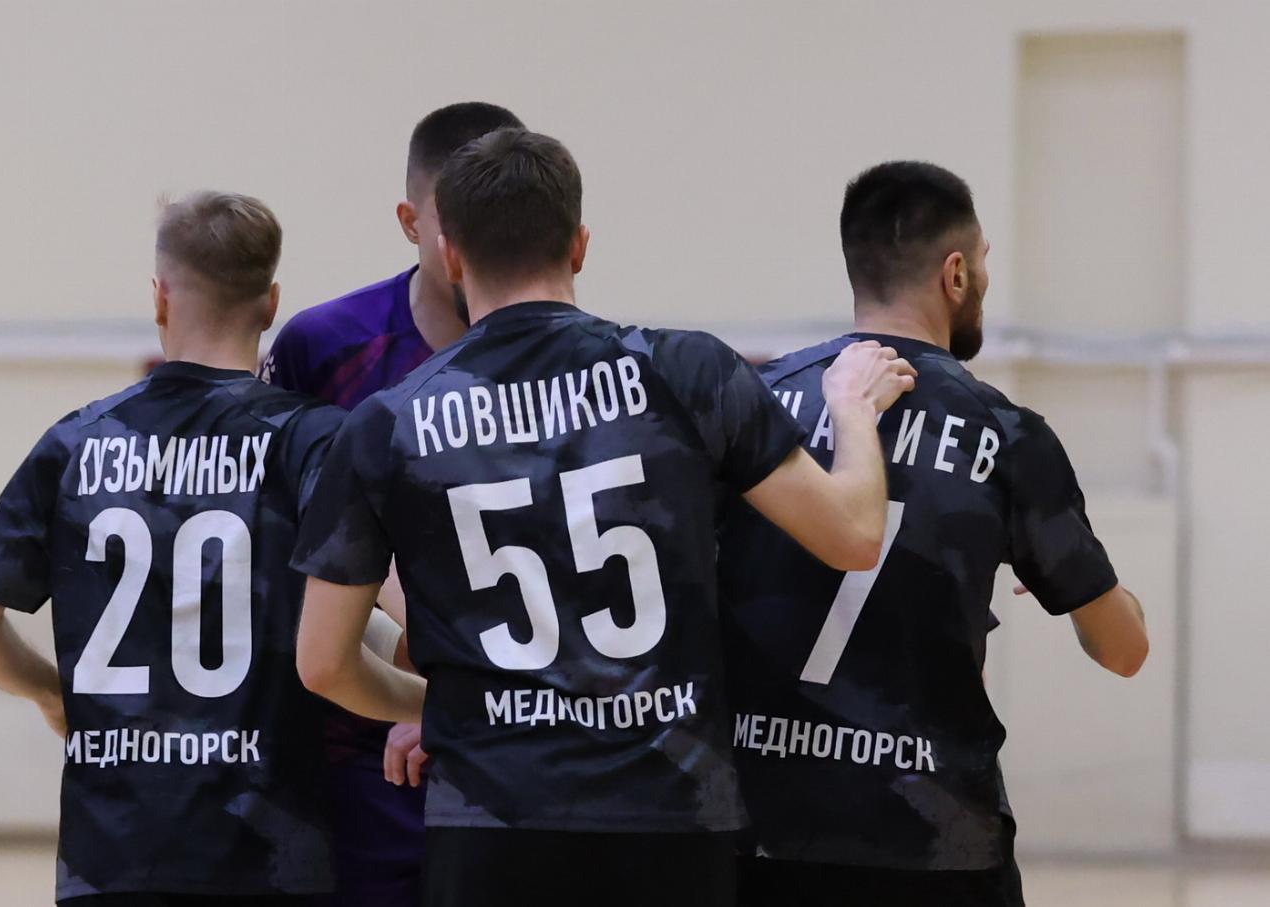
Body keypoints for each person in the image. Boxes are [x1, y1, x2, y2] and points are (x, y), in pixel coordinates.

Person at [290, 129, 916, 907]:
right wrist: (852, 408)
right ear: (580, 245)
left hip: (490, 825)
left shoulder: (387, 422)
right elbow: (854, 535)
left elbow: (322, 663)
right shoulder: (685, 371)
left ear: (450, 255)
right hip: (668, 815)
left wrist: (442, 709)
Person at [719, 161, 1150, 907]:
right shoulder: (1006, 434)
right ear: (955, 274)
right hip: (935, 838)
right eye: (982, 263)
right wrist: (1092, 581)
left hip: (763, 831)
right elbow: (1123, 650)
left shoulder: (753, 403)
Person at [0, 191, 381, 905]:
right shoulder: (311, 439)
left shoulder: (77, 441)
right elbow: (388, 594)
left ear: (159, 299)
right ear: (271, 304)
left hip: (111, 854)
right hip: (264, 853)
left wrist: (50, 692)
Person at [261, 101, 524, 907]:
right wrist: (407, 651)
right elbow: (286, 537)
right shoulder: (322, 347)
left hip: (517, 747)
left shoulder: (560, 353)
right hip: (359, 751)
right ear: (411, 222)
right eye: (458, 221)